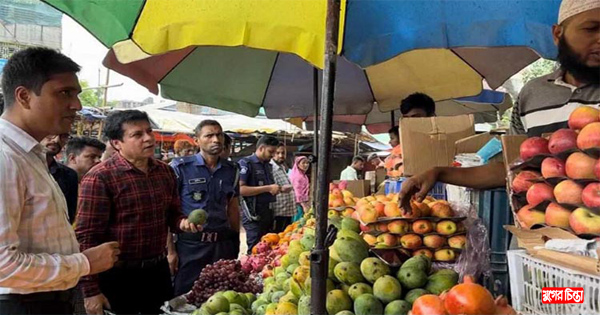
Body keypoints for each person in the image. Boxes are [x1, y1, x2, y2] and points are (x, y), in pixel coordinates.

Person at [398, 0, 600, 210]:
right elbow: (511, 167)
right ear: (558, 34)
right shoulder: (533, 94)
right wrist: (439, 172)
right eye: (591, 29)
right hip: (538, 236)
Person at [0, 47, 119, 315]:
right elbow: (3, 266)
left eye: (76, 94)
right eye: (64, 93)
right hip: (24, 304)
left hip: (49, 298)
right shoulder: (5, 158)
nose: (76, 105)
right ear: (24, 96)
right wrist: (85, 263)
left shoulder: (30, 154)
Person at [76, 110, 202, 315]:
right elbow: (86, 237)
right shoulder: (100, 177)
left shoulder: (165, 172)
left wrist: (182, 223)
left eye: (149, 131)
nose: (148, 138)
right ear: (117, 143)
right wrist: (90, 291)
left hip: (156, 271)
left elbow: (172, 213)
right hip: (117, 275)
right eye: (137, 134)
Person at [169, 120, 241, 296]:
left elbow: (232, 206)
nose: (216, 139)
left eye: (219, 135)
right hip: (191, 246)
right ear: (196, 140)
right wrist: (170, 251)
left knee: (222, 296)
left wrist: (235, 240)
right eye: (209, 135)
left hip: (222, 245)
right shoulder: (180, 168)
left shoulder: (232, 170)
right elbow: (167, 210)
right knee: (186, 296)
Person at [239, 135, 281, 252]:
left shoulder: (268, 165)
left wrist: (279, 189)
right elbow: (240, 189)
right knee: (255, 250)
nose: (273, 155)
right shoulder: (246, 163)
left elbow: (268, 187)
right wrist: (268, 188)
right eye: (270, 151)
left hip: (267, 213)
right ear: (261, 148)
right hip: (253, 214)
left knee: (268, 249)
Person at [40, 133, 80, 223]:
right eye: (51, 134)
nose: (56, 140)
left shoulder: (69, 175)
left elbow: (69, 216)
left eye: (63, 136)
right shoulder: (20, 167)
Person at [270, 144, 296, 233]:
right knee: (276, 236)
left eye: (283, 153)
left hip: (287, 211)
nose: (281, 155)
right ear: (273, 153)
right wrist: (281, 189)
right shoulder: (271, 168)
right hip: (278, 212)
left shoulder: (282, 167)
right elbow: (270, 188)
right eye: (278, 153)